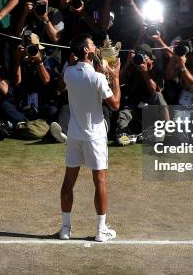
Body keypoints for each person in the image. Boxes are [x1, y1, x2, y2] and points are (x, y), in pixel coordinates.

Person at [59, 34, 121, 242]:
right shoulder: (98, 78)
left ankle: (65, 229)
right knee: (100, 181)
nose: (95, 45)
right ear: (86, 50)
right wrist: (116, 77)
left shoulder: (68, 73)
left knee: (69, 180)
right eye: (92, 44)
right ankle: (101, 231)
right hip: (95, 136)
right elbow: (115, 105)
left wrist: (101, 72)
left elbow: (80, 77)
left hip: (74, 134)